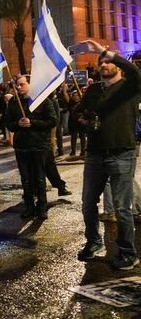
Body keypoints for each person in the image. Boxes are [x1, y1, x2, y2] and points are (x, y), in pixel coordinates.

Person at [76, 40, 141, 270]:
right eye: (100, 62)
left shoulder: (130, 86)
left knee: (122, 207)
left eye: (107, 61)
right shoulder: (93, 90)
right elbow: (79, 115)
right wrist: (83, 121)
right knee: (87, 203)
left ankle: (127, 252)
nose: (103, 63)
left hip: (122, 153)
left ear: (117, 66)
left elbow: (135, 70)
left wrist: (103, 51)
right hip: (95, 154)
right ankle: (94, 243)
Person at [4, 75, 58, 219]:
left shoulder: (43, 100)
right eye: (17, 85)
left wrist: (32, 122)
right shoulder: (14, 103)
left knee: (40, 178)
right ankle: (29, 206)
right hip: (22, 146)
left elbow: (52, 121)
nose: (19, 87)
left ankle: (42, 207)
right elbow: (8, 123)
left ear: (30, 84)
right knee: (25, 178)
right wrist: (18, 124)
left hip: (39, 145)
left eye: (22, 84)